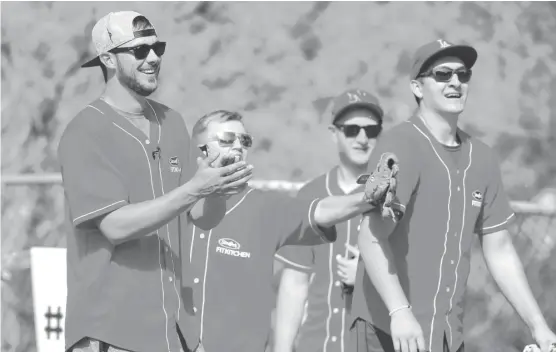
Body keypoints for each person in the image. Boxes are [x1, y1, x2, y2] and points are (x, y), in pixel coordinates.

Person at [58, 11, 252, 352]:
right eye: (139, 51)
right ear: (107, 59)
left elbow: (202, 216)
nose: (153, 58)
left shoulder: (172, 121)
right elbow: (115, 227)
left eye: (157, 47)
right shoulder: (85, 132)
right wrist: (195, 188)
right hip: (110, 331)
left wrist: (219, 187)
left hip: (172, 330)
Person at [352, 39, 556, 352]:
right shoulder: (401, 145)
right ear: (418, 88)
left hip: (446, 334)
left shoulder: (483, 157)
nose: (455, 82)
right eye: (443, 74)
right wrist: (400, 312)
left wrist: (539, 327)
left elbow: (499, 250)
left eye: (463, 74)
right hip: (388, 329)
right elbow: (371, 237)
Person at [178, 109, 384, 352]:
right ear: (199, 148)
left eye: (244, 140)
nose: (238, 146)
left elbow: (322, 209)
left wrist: (370, 196)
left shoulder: (266, 207)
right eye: (227, 139)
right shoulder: (171, 199)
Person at [272, 89, 385, 352]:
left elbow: (421, 281)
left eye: (371, 130)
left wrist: (370, 275)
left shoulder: (396, 196)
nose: (362, 138)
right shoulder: (311, 195)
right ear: (334, 133)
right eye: (351, 130)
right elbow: (294, 284)